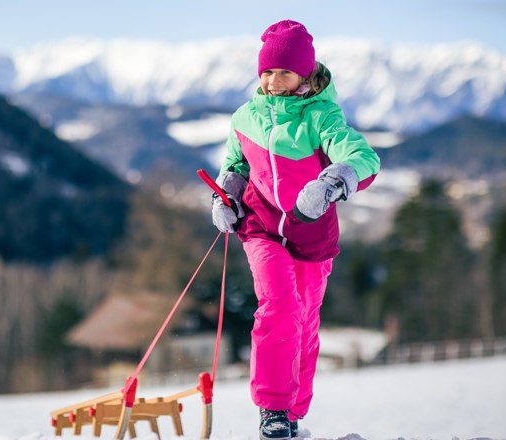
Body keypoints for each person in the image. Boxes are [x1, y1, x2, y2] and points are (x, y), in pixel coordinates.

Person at [210, 20, 380, 439]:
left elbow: (363, 158)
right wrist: (223, 198)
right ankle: (272, 409)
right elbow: (235, 166)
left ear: (305, 72)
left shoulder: (322, 116)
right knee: (279, 307)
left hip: (311, 235)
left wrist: (330, 183)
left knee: (304, 322)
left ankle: (293, 412)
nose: (273, 80)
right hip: (262, 228)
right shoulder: (245, 117)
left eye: (284, 71)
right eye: (266, 71)